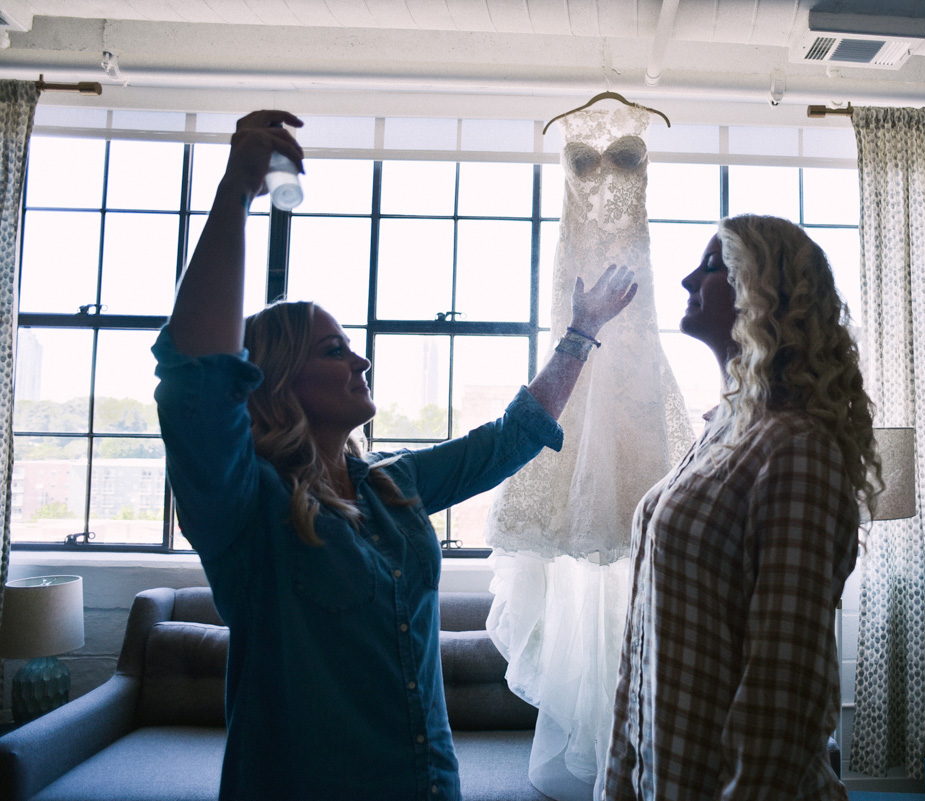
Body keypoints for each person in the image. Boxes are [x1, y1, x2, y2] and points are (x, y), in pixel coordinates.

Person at [153, 109, 637, 801]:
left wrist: (582, 332)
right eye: (333, 349)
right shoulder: (248, 510)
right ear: (277, 382)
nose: (361, 357)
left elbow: (506, 440)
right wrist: (236, 191)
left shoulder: (391, 485)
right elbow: (196, 382)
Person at [602, 214, 881, 801]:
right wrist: (620, 782)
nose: (687, 280)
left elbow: (782, 689)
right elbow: (645, 643)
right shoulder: (718, 434)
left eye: (711, 267)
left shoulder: (798, 450)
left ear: (763, 293)